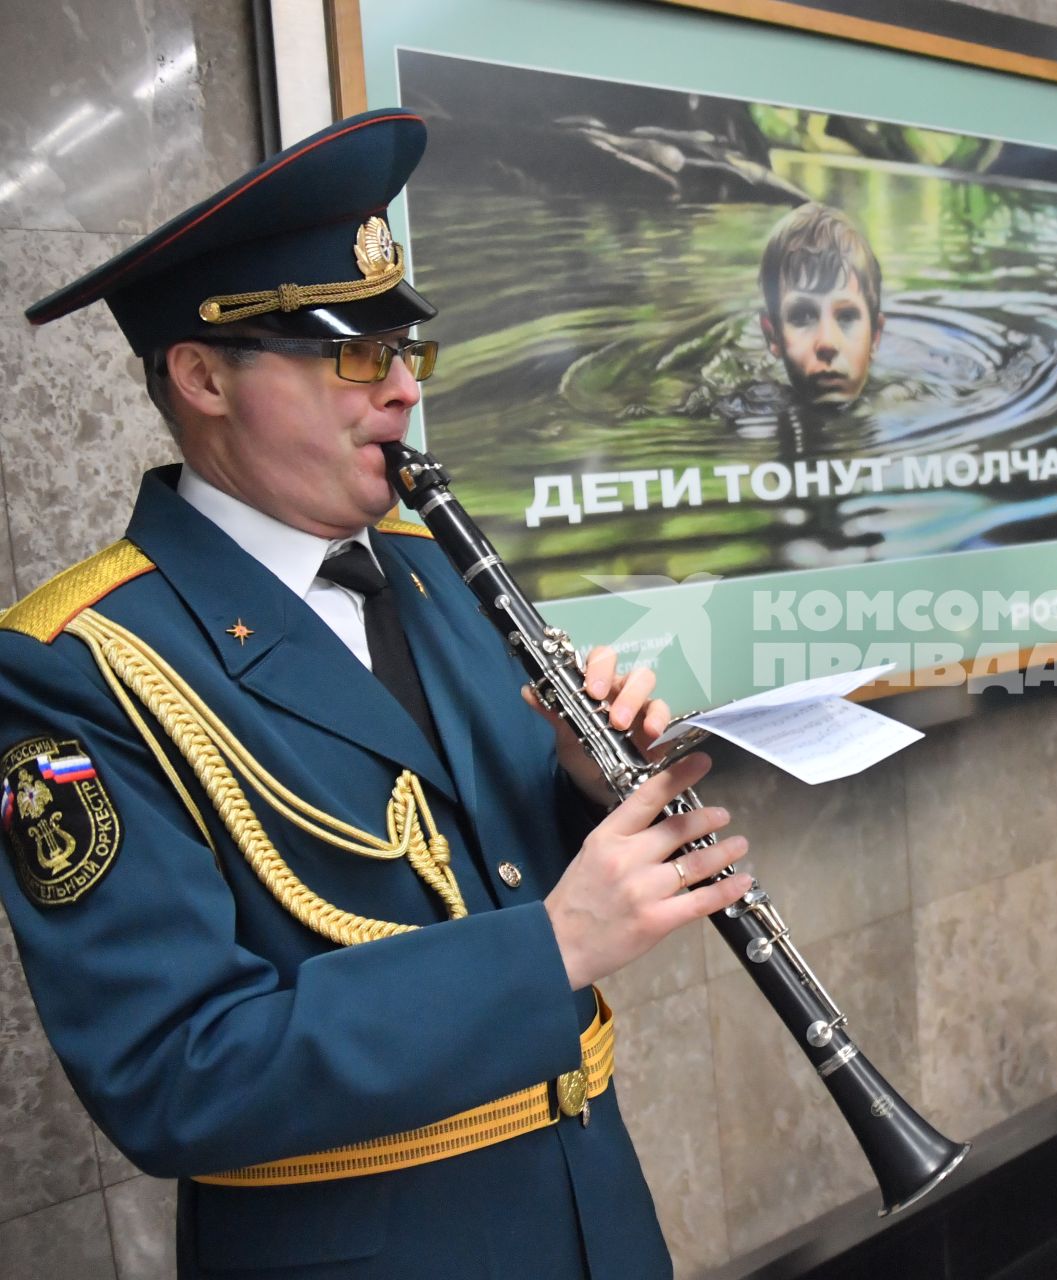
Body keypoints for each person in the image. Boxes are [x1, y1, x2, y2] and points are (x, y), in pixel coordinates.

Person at [3, 109, 752, 1279]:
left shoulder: (426, 566)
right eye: (355, 356)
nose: (402, 392)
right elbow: (171, 1071)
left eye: (409, 353)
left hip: (590, 1212)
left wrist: (582, 787)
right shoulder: (77, 663)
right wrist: (551, 948)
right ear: (202, 376)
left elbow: (474, 868)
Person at [758, 201, 885, 406]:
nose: (827, 343)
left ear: (875, 337)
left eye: (847, 317)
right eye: (801, 317)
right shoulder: (747, 407)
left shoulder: (909, 404)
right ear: (773, 336)